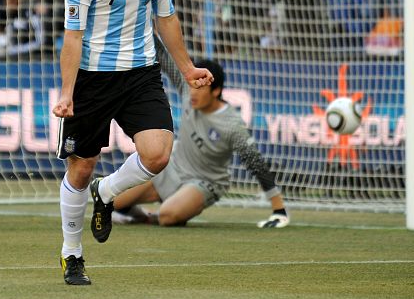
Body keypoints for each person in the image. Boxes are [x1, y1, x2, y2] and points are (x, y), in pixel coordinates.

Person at [52, 0, 212, 285]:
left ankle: (108, 193)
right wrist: (67, 92)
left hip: (141, 72)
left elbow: (166, 19)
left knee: (158, 154)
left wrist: (189, 68)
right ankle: (72, 254)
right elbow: (72, 36)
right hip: (92, 77)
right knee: (81, 168)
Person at [111, 38, 289, 229]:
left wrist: (279, 210)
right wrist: (144, 21)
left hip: (204, 182)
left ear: (216, 91)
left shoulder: (232, 125)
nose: (193, 92)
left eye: (201, 87)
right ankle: (141, 216)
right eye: (192, 85)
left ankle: (163, 211)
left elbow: (255, 163)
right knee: (111, 201)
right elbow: (163, 55)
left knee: (167, 216)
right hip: (172, 169)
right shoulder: (190, 93)